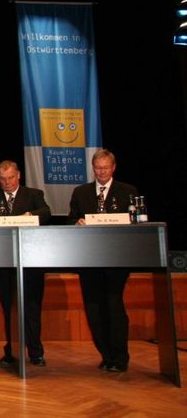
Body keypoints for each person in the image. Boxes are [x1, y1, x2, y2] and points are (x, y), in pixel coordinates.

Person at [67, 149, 138, 373]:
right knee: (93, 308)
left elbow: (135, 222)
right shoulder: (81, 192)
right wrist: (76, 223)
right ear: (93, 168)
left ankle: (120, 356)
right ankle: (106, 355)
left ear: (113, 168)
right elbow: (70, 220)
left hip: (116, 261)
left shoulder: (127, 191)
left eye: (105, 168)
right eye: (98, 168)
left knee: (114, 305)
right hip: (89, 260)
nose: (101, 172)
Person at [0, 160, 51, 367]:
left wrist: (30, 215)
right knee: (9, 307)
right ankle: (12, 350)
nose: (7, 182)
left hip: (31, 261)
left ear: (18, 176)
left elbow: (46, 213)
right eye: (2, 179)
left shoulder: (33, 195)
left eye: (10, 178)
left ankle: (35, 352)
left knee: (32, 307)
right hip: (4, 262)